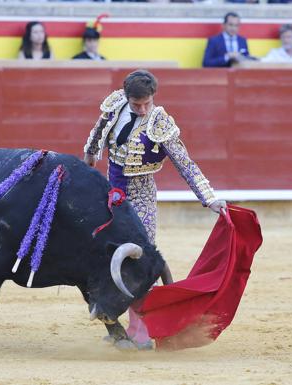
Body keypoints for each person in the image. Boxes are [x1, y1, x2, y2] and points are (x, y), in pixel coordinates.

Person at [83, 69, 226, 350]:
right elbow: (95, 140)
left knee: (142, 260)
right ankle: (116, 324)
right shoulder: (115, 106)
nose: (143, 109)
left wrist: (209, 198)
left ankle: (142, 328)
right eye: (137, 105)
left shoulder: (160, 122)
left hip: (142, 196)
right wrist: (87, 161)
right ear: (127, 98)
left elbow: (185, 163)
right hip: (111, 195)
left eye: (147, 103)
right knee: (104, 255)